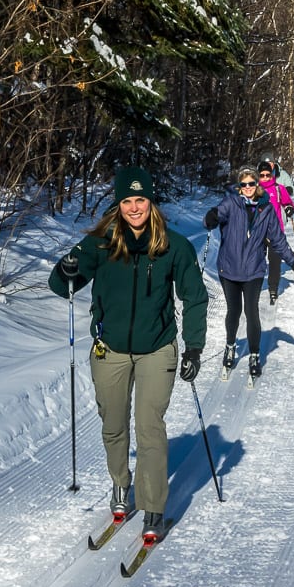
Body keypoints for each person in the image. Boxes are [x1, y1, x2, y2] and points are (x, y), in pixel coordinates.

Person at [48, 166, 208, 541]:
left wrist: (194, 347)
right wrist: (66, 268)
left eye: (140, 199)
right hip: (110, 349)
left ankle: (154, 506)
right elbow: (62, 285)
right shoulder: (101, 243)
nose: (134, 207)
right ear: (117, 204)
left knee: (150, 428)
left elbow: (195, 298)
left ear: (151, 202)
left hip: (158, 348)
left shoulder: (173, 245)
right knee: (113, 424)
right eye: (126, 201)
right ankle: (121, 485)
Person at [203, 167, 294, 379]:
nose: (248, 188)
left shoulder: (266, 209)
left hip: (253, 270)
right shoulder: (230, 204)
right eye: (244, 184)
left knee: (251, 312)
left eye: (252, 183)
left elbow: (278, 240)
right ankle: (230, 346)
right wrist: (211, 217)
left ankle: (254, 354)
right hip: (229, 269)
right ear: (239, 187)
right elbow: (213, 217)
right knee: (233, 311)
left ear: (257, 185)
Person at [257, 160, 294, 305]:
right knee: (257, 261)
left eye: (268, 174)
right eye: (262, 175)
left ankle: (273, 288)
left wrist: (289, 208)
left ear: (272, 174)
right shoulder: (253, 189)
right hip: (259, 231)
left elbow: (288, 202)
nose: (265, 177)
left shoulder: (279, 189)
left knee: (275, 261)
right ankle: (254, 286)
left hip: (276, 231)